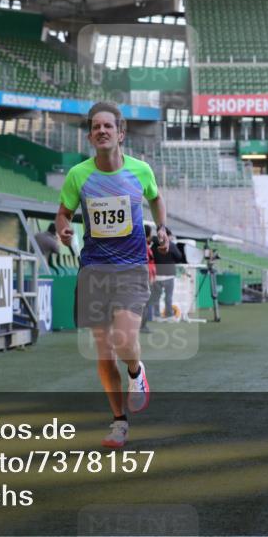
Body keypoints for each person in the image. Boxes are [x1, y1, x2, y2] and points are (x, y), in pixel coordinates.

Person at [56, 101, 167, 449]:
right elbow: (63, 213)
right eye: (96, 127)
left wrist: (163, 228)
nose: (102, 131)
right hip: (93, 270)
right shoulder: (79, 175)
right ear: (90, 136)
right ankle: (119, 422)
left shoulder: (140, 171)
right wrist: (63, 229)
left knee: (123, 340)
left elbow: (156, 198)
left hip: (131, 268)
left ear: (121, 133)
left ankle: (136, 371)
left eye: (109, 126)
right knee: (104, 352)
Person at [149, 225, 185, 320]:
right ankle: (169, 314)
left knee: (156, 296)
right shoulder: (171, 245)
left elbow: (150, 257)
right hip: (169, 274)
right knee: (168, 297)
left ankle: (156, 315)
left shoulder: (153, 245)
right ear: (167, 235)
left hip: (157, 275)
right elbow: (179, 257)